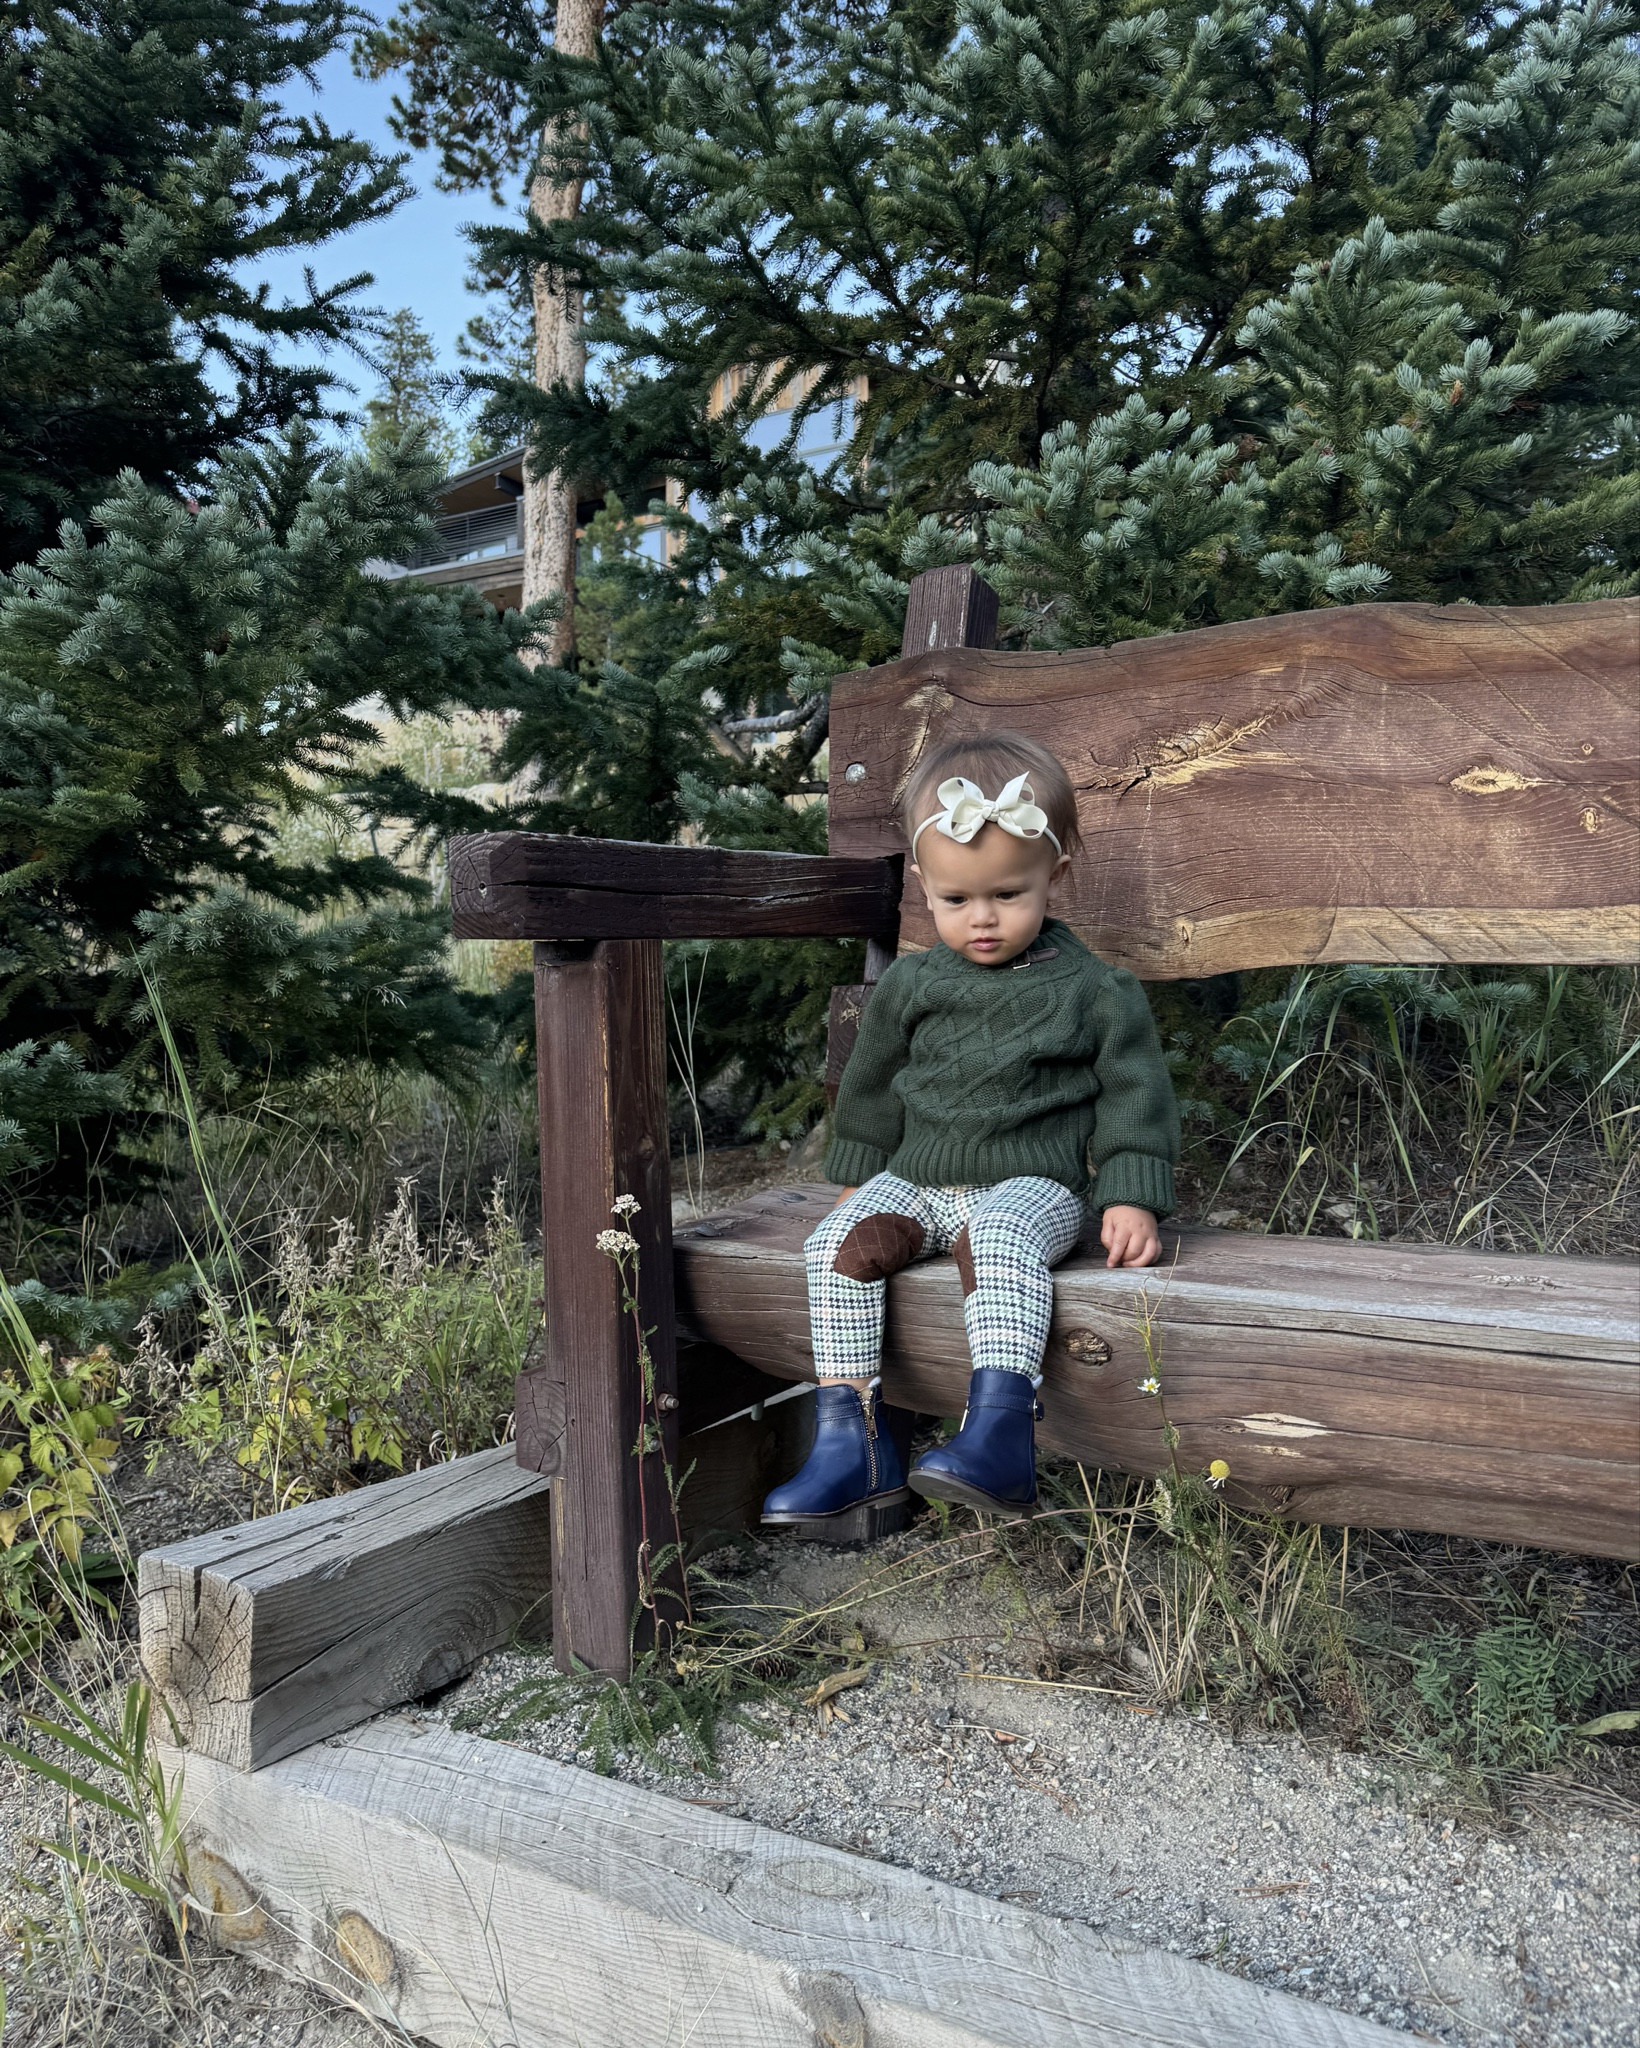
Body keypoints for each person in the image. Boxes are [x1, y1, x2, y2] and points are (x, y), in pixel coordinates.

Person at [761, 730, 1180, 1536]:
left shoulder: (1097, 990)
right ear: (924, 885)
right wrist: (861, 1171)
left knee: (997, 1239)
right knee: (833, 1245)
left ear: (1053, 878)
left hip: (1036, 1186)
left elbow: (1136, 1096)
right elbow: (874, 1084)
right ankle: (854, 1450)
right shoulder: (914, 983)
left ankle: (999, 1437)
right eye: (956, 901)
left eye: (1007, 896)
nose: (981, 919)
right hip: (916, 1180)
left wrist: (1131, 1194)